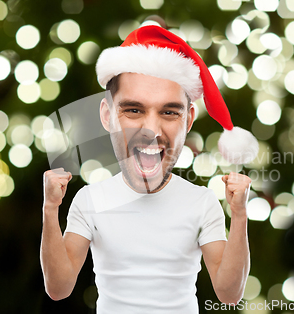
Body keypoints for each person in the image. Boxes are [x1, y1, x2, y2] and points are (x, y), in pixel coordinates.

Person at [40, 25, 259, 313]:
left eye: (169, 112)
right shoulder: (91, 201)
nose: (151, 130)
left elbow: (229, 294)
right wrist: (50, 208)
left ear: (188, 121)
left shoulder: (201, 202)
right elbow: (58, 288)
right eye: (133, 110)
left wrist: (240, 214)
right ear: (107, 115)